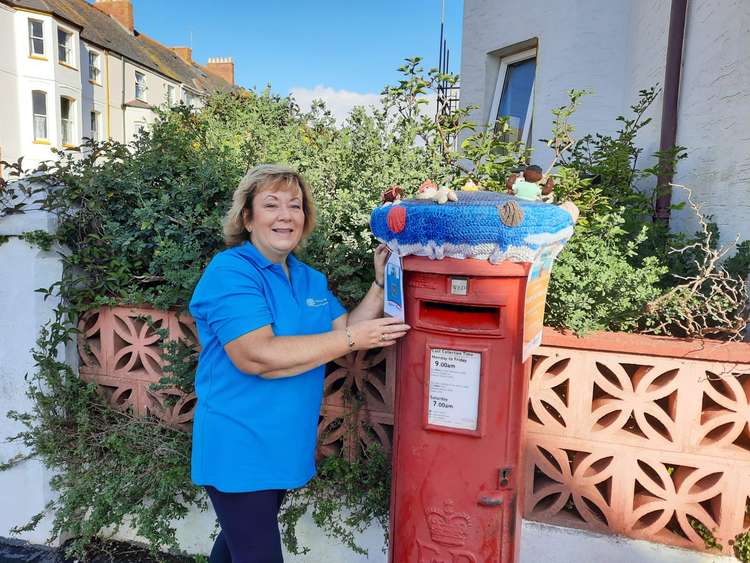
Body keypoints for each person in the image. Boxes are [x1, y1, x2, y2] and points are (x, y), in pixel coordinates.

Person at [188, 164, 409, 563]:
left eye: (295, 205)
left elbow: (345, 330)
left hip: (284, 444)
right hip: (238, 445)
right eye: (271, 205)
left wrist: (379, 284)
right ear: (247, 218)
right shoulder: (230, 272)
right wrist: (349, 339)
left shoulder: (309, 279)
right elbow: (257, 356)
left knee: (235, 548)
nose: (285, 215)